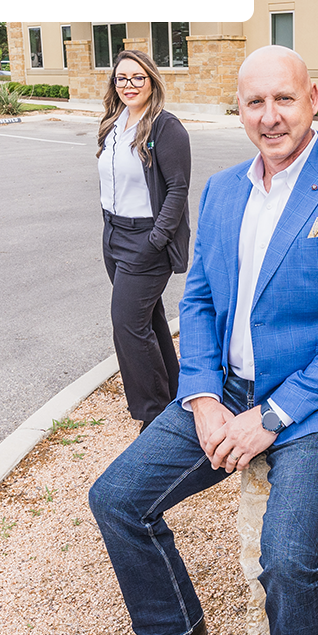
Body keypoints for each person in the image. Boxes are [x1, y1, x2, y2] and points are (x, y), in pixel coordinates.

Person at [88, 45, 318, 635]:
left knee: (287, 557)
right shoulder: (223, 189)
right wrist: (202, 396)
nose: (271, 116)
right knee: (117, 499)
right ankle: (174, 629)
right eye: (255, 102)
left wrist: (271, 417)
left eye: (284, 98)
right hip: (227, 389)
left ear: (313, 100)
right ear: (239, 109)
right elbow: (200, 301)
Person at [95, 49, 191, 428]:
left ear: (152, 81)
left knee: (127, 325)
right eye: (122, 78)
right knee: (147, 319)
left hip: (145, 238)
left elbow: (178, 189)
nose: (129, 85)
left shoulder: (166, 128)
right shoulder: (112, 124)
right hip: (113, 234)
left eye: (138, 78)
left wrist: (156, 238)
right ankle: (177, 396)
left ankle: (153, 417)